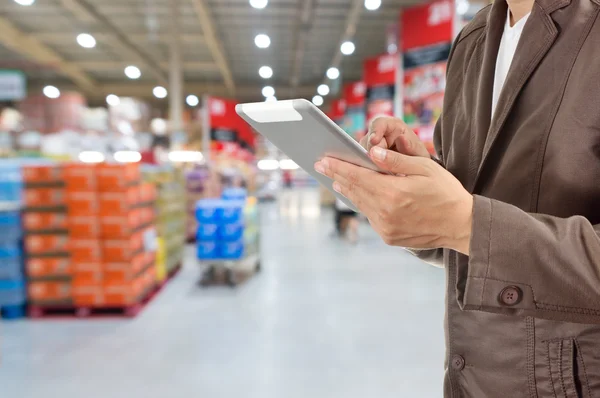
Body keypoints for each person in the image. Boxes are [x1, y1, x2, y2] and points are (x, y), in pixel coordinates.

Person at [315, 0, 600, 396]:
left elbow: (472, 219)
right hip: (470, 376)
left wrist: (469, 223)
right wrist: (418, 181)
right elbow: (471, 202)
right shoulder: (474, 39)